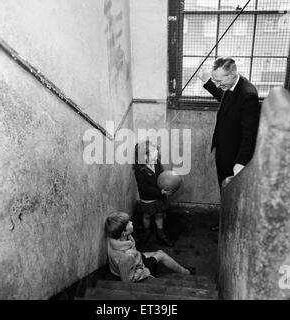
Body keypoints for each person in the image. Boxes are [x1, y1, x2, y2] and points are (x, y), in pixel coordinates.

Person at [198, 57, 261, 231]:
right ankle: (226, 222)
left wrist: (240, 163)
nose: (217, 85)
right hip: (224, 151)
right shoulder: (230, 86)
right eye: (215, 80)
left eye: (219, 81)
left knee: (233, 194)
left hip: (234, 158)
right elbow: (224, 99)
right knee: (225, 191)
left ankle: (232, 227)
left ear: (232, 74)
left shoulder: (248, 94)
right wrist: (208, 83)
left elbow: (250, 134)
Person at [105, 211, 195, 283]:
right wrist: (146, 272)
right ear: (123, 232)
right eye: (128, 223)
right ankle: (186, 272)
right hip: (138, 269)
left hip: (135, 259)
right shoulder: (127, 257)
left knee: (160, 253)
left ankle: (185, 271)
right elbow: (127, 281)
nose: (131, 222)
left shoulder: (113, 237)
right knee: (161, 255)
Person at [133, 140, 174, 247]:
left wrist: (167, 183)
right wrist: (159, 191)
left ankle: (160, 233)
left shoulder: (156, 163)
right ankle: (147, 231)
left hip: (159, 196)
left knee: (159, 214)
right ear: (145, 156)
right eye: (154, 150)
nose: (157, 151)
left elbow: (161, 176)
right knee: (147, 215)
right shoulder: (140, 170)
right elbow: (144, 188)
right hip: (148, 198)